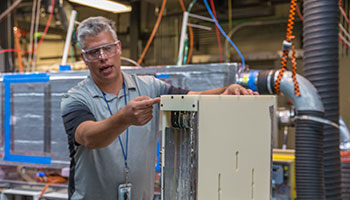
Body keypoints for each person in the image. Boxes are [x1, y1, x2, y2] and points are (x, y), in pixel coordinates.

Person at [61, 16, 257, 200]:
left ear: (118, 48)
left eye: (108, 48)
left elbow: (192, 99)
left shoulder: (149, 87)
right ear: (84, 58)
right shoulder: (76, 98)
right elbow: (88, 137)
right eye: (94, 52)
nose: (103, 57)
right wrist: (124, 118)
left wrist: (226, 91)